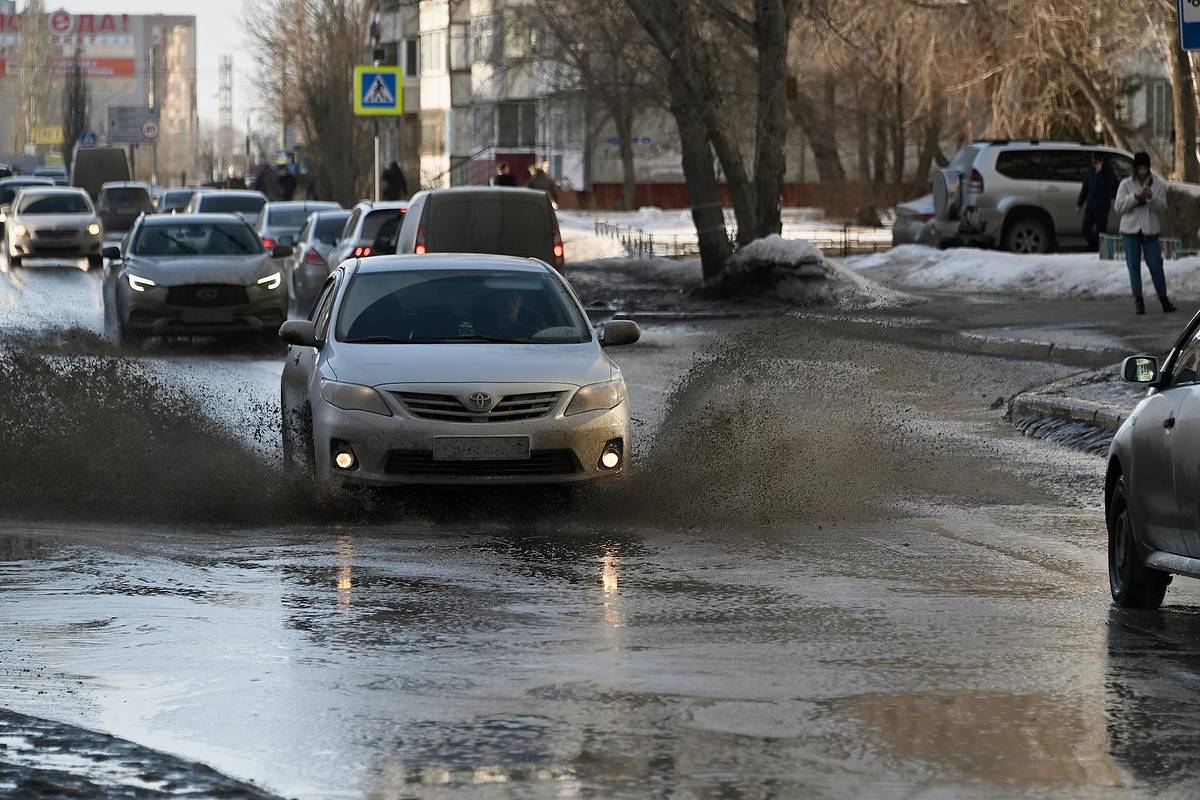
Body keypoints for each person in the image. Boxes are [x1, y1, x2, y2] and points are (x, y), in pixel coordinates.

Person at [1114, 151, 1175, 315]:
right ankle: (1138, 300)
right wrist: (1134, 197)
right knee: (1133, 266)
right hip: (1130, 230)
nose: (1142, 172)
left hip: (1150, 230)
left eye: (1145, 168)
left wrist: (1150, 198)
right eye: (1139, 168)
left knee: (1156, 265)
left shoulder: (1156, 185)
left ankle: (1164, 298)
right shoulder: (1126, 184)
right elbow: (1118, 207)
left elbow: (1162, 208)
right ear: (1135, 169)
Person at [1077, 153, 1119, 251]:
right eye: (1093, 162)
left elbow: (1107, 188)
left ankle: (1099, 248)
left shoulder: (1108, 173)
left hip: (1102, 206)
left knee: (1100, 231)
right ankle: (1094, 245)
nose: (1094, 164)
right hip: (1090, 205)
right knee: (1085, 229)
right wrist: (1080, 203)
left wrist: (1099, 173)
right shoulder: (1091, 171)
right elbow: (1086, 187)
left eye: (1096, 162)